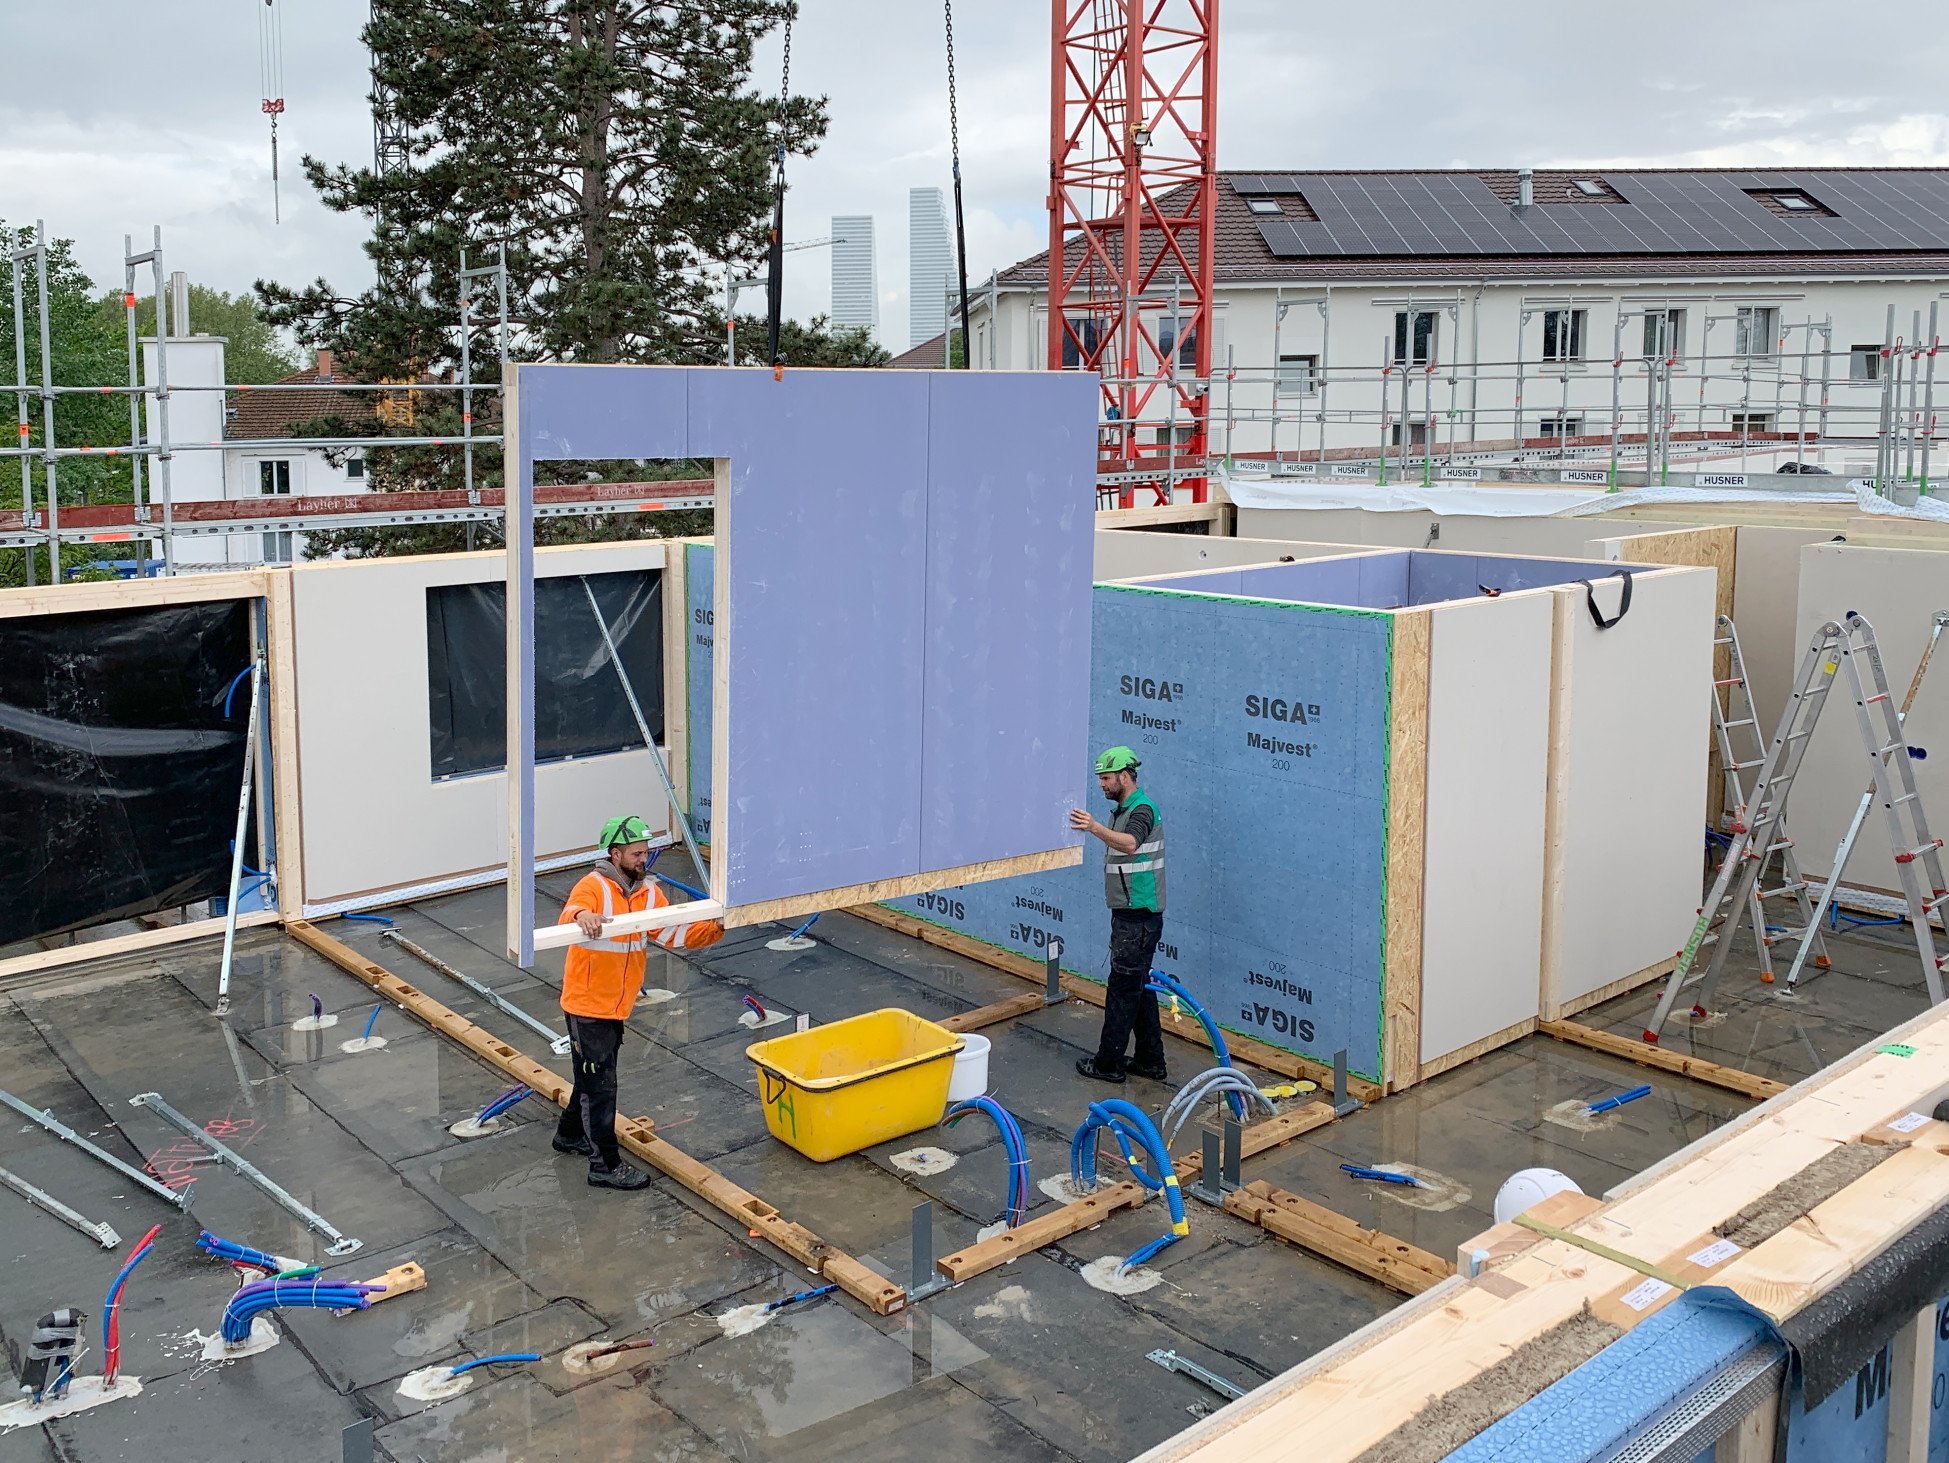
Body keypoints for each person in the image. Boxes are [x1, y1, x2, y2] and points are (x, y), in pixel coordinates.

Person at [553, 814, 725, 1190]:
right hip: (587, 1005)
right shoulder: (594, 886)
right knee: (601, 1088)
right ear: (614, 854)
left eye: (646, 852)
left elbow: (674, 933)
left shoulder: (648, 893)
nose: (642, 859)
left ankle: (569, 1136)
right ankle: (605, 1166)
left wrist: (716, 926)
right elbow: (572, 911)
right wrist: (585, 916)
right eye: (635, 853)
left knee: (590, 1078)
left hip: (615, 1005)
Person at [1068, 747, 1167, 1084]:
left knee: (1123, 989)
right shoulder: (1124, 810)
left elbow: (1129, 844)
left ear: (1125, 776)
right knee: (1139, 987)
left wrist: (1093, 827)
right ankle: (1151, 1060)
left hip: (1137, 917)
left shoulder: (1140, 810)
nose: (1102, 784)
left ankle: (1108, 1063)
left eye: (1106, 778)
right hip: (1133, 914)